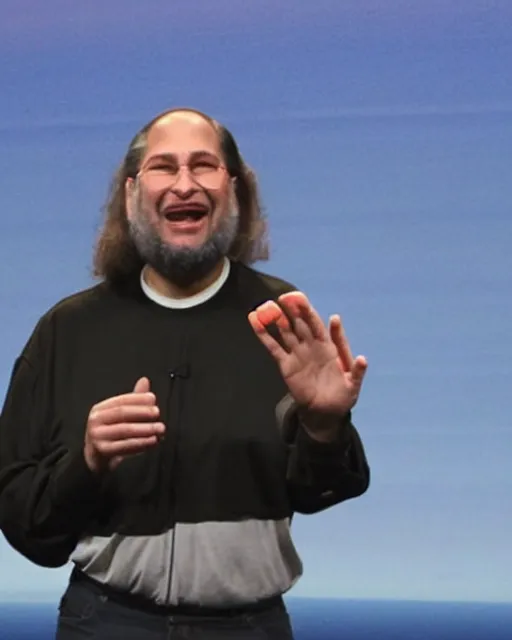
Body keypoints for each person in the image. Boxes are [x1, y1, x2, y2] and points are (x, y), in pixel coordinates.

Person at [0, 107, 370, 640]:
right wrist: (86, 463)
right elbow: (24, 523)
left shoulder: (282, 322)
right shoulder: (67, 331)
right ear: (131, 193)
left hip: (250, 627)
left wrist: (325, 426)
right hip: (103, 622)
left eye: (203, 165)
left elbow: (320, 492)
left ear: (234, 189)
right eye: (163, 167)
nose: (184, 183)